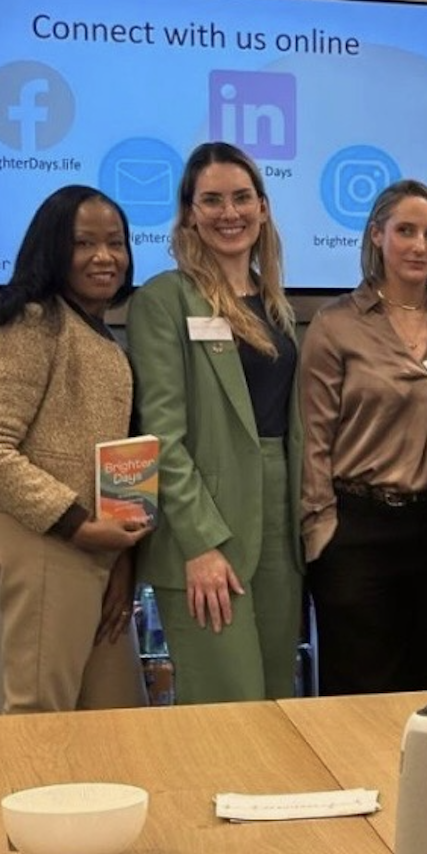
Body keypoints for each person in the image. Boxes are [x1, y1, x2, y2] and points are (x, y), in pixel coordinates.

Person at [0, 186, 149, 712]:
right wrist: (78, 525)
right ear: (52, 249)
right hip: (46, 541)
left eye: (116, 243)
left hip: (95, 549)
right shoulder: (34, 322)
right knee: (41, 713)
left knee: (118, 716)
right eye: (84, 243)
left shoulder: (97, 331)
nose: (105, 257)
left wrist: (121, 556)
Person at [126, 142, 303, 703]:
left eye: (242, 197)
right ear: (190, 214)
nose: (231, 213)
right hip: (206, 523)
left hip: (278, 519)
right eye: (212, 200)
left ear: (264, 207)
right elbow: (163, 439)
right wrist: (200, 545)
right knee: (228, 705)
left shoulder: (275, 304)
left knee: (278, 700)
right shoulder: (164, 301)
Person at [299, 180, 427, 695]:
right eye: (405, 231)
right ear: (377, 236)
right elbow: (312, 436)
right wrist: (322, 531)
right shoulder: (334, 325)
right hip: (359, 531)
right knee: (358, 695)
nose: (420, 246)